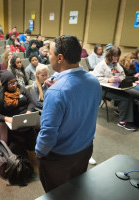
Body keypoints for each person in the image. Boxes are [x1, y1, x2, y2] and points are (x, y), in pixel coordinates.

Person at [35, 35, 102, 192]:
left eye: (50, 53)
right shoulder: (94, 81)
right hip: (85, 149)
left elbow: (48, 133)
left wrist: (39, 153)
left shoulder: (55, 92)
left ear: (59, 57)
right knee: (74, 192)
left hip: (60, 159)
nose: (48, 56)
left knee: (57, 194)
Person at [0, 70, 38, 173]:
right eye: (10, 83)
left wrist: (29, 111)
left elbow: (31, 102)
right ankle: (27, 157)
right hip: (9, 121)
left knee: (33, 128)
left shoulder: (21, 89)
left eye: (14, 82)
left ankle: (33, 154)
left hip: (25, 117)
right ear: (4, 84)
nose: (14, 85)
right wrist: (6, 118)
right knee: (29, 131)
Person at [92, 46, 136, 131]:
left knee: (129, 95)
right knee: (125, 98)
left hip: (113, 87)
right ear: (110, 55)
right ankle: (122, 122)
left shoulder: (116, 64)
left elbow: (123, 75)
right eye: (114, 56)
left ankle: (121, 112)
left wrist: (120, 79)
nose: (116, 58)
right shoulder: (102, 65)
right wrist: (108, 80)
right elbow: (95, 78)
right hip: (103, 89)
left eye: (117, 56)